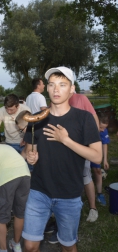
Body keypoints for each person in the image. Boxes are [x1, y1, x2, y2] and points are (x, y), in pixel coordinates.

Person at [22, 66, 102, 252]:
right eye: (51, 84)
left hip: (69, 194)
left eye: (62, 84)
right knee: (30, 246)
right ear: (47, 89)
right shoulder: (37, 119)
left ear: (72, 89)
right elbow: (29, 152)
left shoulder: (84, 118)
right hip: (39, 191)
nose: (56, 89)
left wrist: (66, 140)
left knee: (68, 246)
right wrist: (31, 157)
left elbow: (97, 155)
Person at [69, 92, 100, 223]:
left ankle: (93, 208)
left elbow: (94, 119)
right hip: (65, 146)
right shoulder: (55, 101)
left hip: (82, 146)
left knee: (85, 175)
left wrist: (93, 141)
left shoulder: (81, 98)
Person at [90, 115, 110, 206]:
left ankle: (99, 193)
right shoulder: (89, 127)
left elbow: (104, 144)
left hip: (95, 153)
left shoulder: (103, 131)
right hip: (85, 152)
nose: (102, 130)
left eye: (104, 128)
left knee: (97, 171)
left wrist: (105, 160)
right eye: (101, 127)